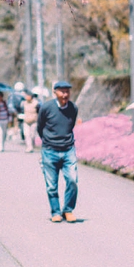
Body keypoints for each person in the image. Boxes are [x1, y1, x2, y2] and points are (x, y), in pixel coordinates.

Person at [37, 80, 79, 223]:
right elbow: (40, 126)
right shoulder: (47, 107)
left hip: (68, 149)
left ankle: (68, 210)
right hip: (50, 150)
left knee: (72, 180)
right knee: (51, 185)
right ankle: (55, 211)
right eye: (62, 91)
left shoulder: (73, 108)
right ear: (55, 92)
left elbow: (70, 125)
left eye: (67, 91)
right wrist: (47, 141)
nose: (65, 94)